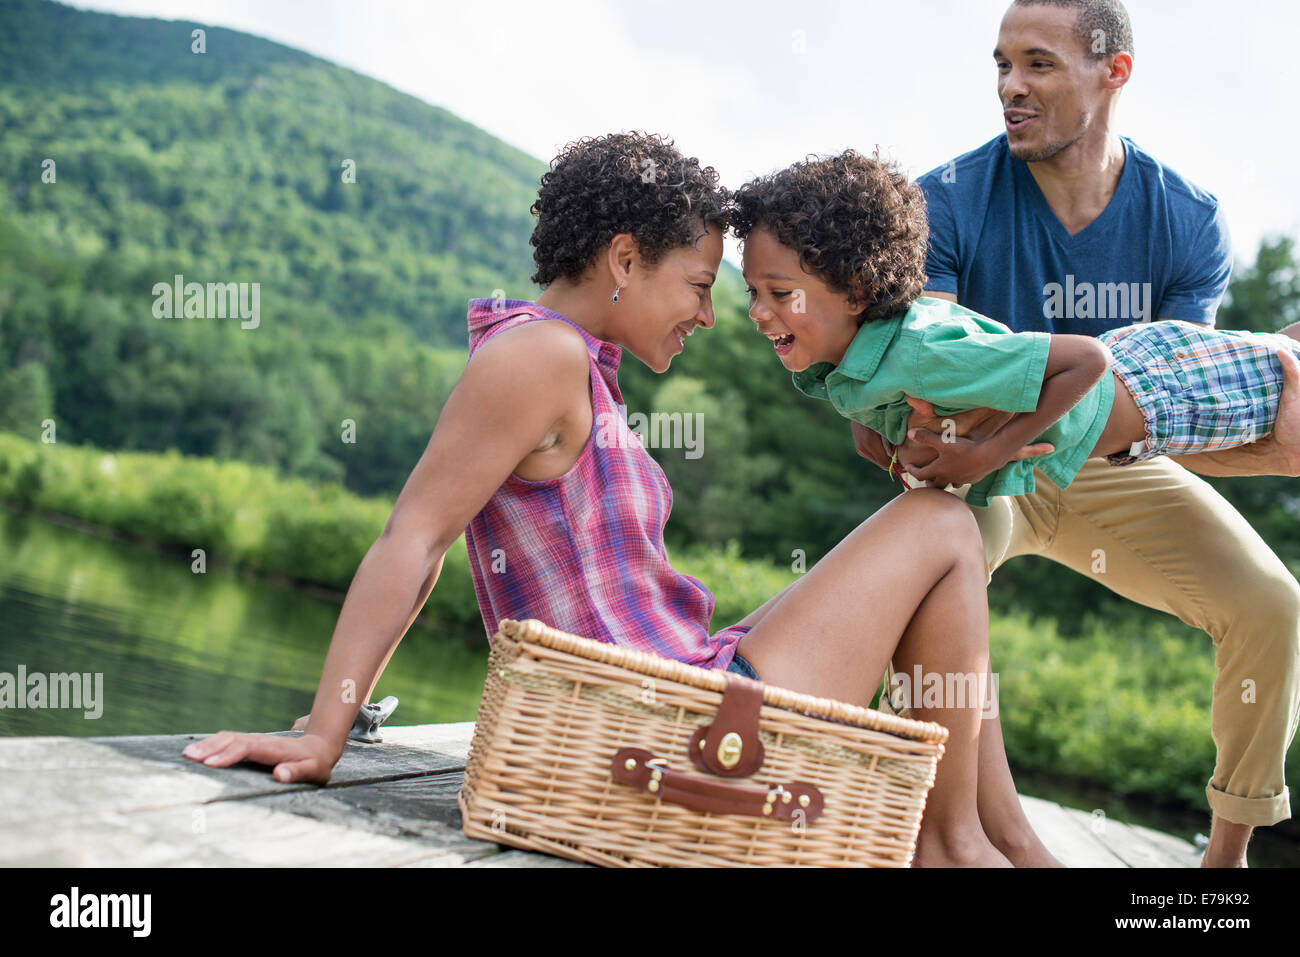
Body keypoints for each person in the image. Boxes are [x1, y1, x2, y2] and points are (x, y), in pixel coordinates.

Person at [181, 131, 1043, 867]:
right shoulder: (540, 359)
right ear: (625, 260)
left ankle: (974, 837)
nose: (711, 315)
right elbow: (414, 538)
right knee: (940, 519)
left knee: (943, 530)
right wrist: (325, 731)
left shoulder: (572, 366)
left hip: (683, 698)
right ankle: (956, 845)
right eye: (701, 285)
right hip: (668, 723)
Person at [850, 0, 1300, 867]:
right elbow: (929, 380)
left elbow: (1173, 406)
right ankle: (933, 833)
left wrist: (1275, 448)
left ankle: (1223, 865)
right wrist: (956, 445)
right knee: (929, 582)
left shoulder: (1188, 220)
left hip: (1106, 460)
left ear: (1113, 72)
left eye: (1038, 64)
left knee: (1271, 603)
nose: (1010, 88)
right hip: (976, 464)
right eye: (1001, 64)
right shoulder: (944, 199)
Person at [736, 151, 1300, 507]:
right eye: (753, 293)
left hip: (1155, 387)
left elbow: (1089, 361)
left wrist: (990, 454)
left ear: (858, 291)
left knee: (1283, 369)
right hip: (1132, 424)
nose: (759, 312)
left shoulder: (918, 350)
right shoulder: (839, 361)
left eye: (781, 295)